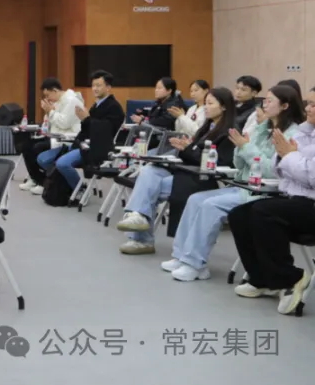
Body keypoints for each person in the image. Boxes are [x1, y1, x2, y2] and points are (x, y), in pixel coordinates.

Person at [162, 84, 305, 282]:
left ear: (285, 106)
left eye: (270, 100)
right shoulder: (262, 128)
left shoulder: (292, 134)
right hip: (244, 185)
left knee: (210, 205)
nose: (264, 104)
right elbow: (240, 164)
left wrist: (246, 148)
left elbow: (271, 170)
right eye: (265, 99)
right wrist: (240, 148)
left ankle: (194, 263)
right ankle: (180, 256)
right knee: (195, 199)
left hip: (265, 191)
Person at [116, 87, 237, 255]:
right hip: (185, 169)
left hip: (201, 178)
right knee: (149, 171)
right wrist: (184, 147)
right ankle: (137, 216)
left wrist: (188, 149)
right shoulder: (207, 127)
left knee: (152, 187)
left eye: (210, 103)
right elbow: (194, 152)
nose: (206, 107)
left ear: (223, 106)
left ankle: (141, 238)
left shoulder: (229, 131)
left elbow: (218, 161)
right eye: (205, 103)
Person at [228, 85, 315, 314]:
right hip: (295, 199)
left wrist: (290, 156)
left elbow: (311, 176)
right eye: (308, 103)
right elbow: (278, 169)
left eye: (314, 105)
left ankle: (290, 278)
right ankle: (261, 279)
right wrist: (290, 159)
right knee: (239, 215)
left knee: (264, 212)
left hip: (311, 205)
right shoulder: (302, 133)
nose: (308, 108)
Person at [33, 70, 124, 195]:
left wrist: (86, 119)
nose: (95, 89)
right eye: (93, 85)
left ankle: (79, 189)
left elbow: (105, 131)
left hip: (96, 147)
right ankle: (61, 186)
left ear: (108, 87)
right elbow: (86, 128)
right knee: (43, 159)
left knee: (62, 163)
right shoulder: (96, 105)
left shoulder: (114, 107)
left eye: (98, 85)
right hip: (81, 143)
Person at [21, 77, 85, 194]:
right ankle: (36, 178)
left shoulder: (72, 101)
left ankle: (44, 182)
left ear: (55, 91)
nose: (47, 98)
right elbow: (50, 123)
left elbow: (64, 123)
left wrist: (50, 111)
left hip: (67, 139)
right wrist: (47, 112)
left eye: (48, 95)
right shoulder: (57, 102)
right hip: (55, 136)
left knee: (37, 148)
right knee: (26, 146)